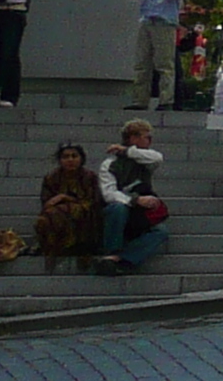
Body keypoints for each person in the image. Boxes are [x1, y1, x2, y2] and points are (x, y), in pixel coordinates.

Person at [95, 118, 169, 276]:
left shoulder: (145, 160)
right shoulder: (110, 164)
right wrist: (135, 200)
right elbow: (109, 194)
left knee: (160, 232)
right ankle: (110, 250)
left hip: (139, 215)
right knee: (117, 208)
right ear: (133, 139)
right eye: (146, 137)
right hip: (119, 211)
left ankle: (119, 258)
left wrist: (126, 150)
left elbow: (157, 158)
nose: (150, 141)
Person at [35, 143, 102, 269]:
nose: (70, 160)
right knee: (47, 217)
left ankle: (81, 249)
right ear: (60, 160)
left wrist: (65, 198)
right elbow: (47, 202)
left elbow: (93, 202)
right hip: (56, 214)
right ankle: (54, 249)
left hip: (86, 214)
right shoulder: (51, 178)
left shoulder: (89, 177)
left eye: (74, 156)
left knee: (75, 211)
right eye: (65, 157)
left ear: (81, 158)